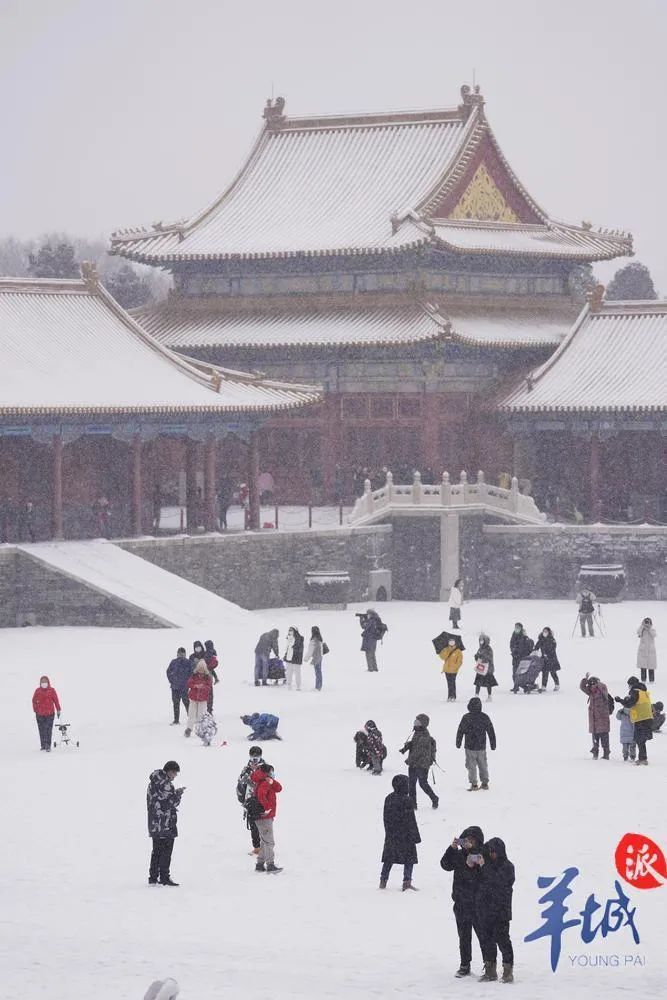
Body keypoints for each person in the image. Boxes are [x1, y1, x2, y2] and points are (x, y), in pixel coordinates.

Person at [440, 826, 486, 978]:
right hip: (461, 903)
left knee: (484, 936)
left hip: (479, 904)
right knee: (464, 937)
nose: (469, 843)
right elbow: (445, 865)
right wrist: (452, 848)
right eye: (466, 840)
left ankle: (489, 964)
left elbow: (487, 874)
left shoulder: (481, 856)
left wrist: (475, 861)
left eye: (472, 840)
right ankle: (464, 965)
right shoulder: (459, 855)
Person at [476, 837, 515, 983]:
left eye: (493, 852)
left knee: (503, 941)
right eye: (489, 852)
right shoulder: (485, 865)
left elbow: (497, 883)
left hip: (501, 912)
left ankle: (507, 971)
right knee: (487, 941)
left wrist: (484, 866)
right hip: (485, 910)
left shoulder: (508, 867)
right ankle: (490, 970)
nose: (491, 854)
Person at [380, 774, 421, 891]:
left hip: (392, 835)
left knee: (388, 859)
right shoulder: (407, 800)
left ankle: (383, 880)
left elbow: (385, 818)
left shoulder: (388, 798)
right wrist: (415, 836)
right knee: (409, 859)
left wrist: (388, 831)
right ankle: (407, 882)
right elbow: (411, 820)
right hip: (406, 836)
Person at [147, 760, 184, 886]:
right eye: (174, 772)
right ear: (168, 771)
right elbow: (171, 803)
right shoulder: (166, 785)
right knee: (166, 852)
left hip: (154, 823)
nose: (175, 775)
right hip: (165, 823)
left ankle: (153, 877)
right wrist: (178, 794)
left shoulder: (153, 782)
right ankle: (164, 877)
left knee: (156, 851)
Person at [455, 696, 496, 791]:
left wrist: (458, 742)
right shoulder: (484, 717)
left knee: (471, 765)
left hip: (469, 746)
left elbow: (460, 730)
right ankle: (485, 782)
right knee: (483, 764)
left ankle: (474, 784)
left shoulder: (466, 717)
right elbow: (491, 731)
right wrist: (493, 744)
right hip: (481, 746)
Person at [399, 713, 439, 809]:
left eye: (417, 722)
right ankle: (413, 804)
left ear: (423, 724)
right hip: (414, 763)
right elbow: (414, 744)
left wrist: (409, 760)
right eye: (415, 721)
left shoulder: (425, 735)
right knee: (411, 784)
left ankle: (434, 798)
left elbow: (419, 751)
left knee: (423, 784)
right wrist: (406, 747)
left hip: (422, 764)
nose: (415, 723)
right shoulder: (417, 732)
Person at [250, 762, 283, 873]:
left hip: (265, 817)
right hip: (265, 817)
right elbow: (261, 796)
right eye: (271, 771)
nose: (273, 773)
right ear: (267, 772)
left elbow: (279, 788)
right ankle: (270, 865)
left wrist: (272, 781)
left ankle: (260, 864)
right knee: (269, 842)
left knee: (264, 841)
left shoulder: (265, 781)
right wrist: (267, 808)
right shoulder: (264, 783)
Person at [615, 677, 653, 765]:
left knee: (639, 739)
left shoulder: (635, 691)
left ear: (631, 684)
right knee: (641, 740)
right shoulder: (643, 691)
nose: (629, 687)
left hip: (641, 719)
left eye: (629, 685)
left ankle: (643, 759)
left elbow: (629, 704)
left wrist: (620, 700)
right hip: (648, 718)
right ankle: (643, 758)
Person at [236, 746, 264, 855]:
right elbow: (240, 781)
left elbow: (271, 780)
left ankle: (266, 845)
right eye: (253, 756)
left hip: (262, 800)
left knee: (264, 824)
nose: (255, 759)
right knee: (253, 824)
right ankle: (257, 847)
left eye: (257, 756)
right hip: (250, 800)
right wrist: (245, 779)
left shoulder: (265, 767)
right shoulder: (246, 768)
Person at [579, 674, 611, 759]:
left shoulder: (602, 691)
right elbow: (582, 687)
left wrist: (598, 683)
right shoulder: (591, 692)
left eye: (593, 684)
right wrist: (585, 679)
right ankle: (595, 754)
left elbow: (603, 686)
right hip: (593, 720)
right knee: (595, 739)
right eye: (590, 685)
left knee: (604, 738)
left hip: (602, 720)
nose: (591, 687)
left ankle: (606, 754)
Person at [32, 675, 61, 751]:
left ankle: (48, 745)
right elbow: (34, 701)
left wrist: (58, 709)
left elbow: (56, 700)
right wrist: (36, 709)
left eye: (45, 681)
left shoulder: (52, 690)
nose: (44, 683)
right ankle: (43, 745)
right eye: (42, 682)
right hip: (40, 714)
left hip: (50, 714)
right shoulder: (37, 691)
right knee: (41, 730)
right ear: (40, 683)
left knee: (48, 729)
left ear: (48, 682)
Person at [184, 660, 212, 737]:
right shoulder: (194, 675)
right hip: (193, 698)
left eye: (202, 670)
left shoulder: (207, 677)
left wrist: (203, 687)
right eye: (199, 669)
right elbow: (189, 683)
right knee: (191, 714)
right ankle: (189, 729)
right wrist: (195, 686)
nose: (201, 672)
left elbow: (209, 686)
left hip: (203, 699)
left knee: (201, 715)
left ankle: (201, 729)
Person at [166, 647, 191, 725]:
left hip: (184, 687)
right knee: (176, 703)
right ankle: (176, 720)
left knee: (186, 702)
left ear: (185, 654)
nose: (180, 655)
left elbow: (191, 673)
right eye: (179, 653)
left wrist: (188, 682)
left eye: (182, 653)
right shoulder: (173, 662)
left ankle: (191, 718)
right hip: (175, 687)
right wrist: (172, 680)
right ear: (177, 654)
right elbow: (168, 672)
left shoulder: (188, 662)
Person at [534, 626, 561, 692]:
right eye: (544, 631)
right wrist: (535, 652)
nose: (545, 633)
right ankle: (544, 686)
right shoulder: (541, 639)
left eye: (546, 632)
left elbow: (552, 648)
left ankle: (557, 684)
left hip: (552, 659)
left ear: (549, 632)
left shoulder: (552, 640)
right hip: (544, 659)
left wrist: (547, 654)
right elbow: (536, 647)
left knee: (553, 672)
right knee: (545, 672)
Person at [474, 634, 497, 701]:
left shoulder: (489, 649)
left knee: (488, 683)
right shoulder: (480, 648)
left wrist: (482, 658)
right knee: (478, 682)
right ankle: (476, 695)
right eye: (480, 640)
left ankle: (489, 696)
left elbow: (489, 658)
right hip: (480, 668)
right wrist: (476, 657)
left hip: (488, 669)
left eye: (482, 640)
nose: (481, 641)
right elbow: (478, 657)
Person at [440, 637, 463, 701]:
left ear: (455, 643)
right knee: (449, 684)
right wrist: (444, 652)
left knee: (452, 683)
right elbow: (442, 657)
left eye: (453, 642)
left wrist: (455, 667)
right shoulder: (446, 649)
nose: (451, 643)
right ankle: (449, 696)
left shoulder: (458, 651)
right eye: (450, 642)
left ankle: (453, 696)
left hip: (454, 671)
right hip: (447, 669)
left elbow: (460, 661)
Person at [636, 618, 657, 684]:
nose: (647, 623)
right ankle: (643, 680)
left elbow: (654, 635)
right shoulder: (642, 630)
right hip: (643, 650)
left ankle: (651, 681)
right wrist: (642, 626)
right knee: (643, 667)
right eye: (646, 622)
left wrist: (649, 628)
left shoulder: (652, 629)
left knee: (651, 667)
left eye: (648, 622)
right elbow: (638, 633)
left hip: (651, 651)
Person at [283, 626, 304, 690]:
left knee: (297, 673)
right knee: (289, 672)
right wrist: (285, 655)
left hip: (296, 658)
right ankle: (289, 685)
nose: (290, 631)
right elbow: (287, 648)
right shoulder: (288, 638)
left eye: (291, 630)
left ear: (295, 631)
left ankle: (298, 686)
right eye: (289, 630)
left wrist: (295, 650)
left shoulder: (299, 638)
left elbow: (300, 649)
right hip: (289, 658)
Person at [305, 625, 325, 691]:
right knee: (319, 672)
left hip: (316, 658)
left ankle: (317, 687)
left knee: (317, 672)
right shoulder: (320, 639)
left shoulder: (313, 640)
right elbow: (321, 649)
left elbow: (310, 651)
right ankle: (319, 686)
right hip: (320, 657)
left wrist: (306, 658)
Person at [204, 639, 219, 713]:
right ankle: (209, 708)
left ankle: (208, 709)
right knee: (210, 693)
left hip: (206, 674)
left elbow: (207, 664)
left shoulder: (207, 653)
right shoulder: (214, 652)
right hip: (210, 674)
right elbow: (212, 667)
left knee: (207, 693)